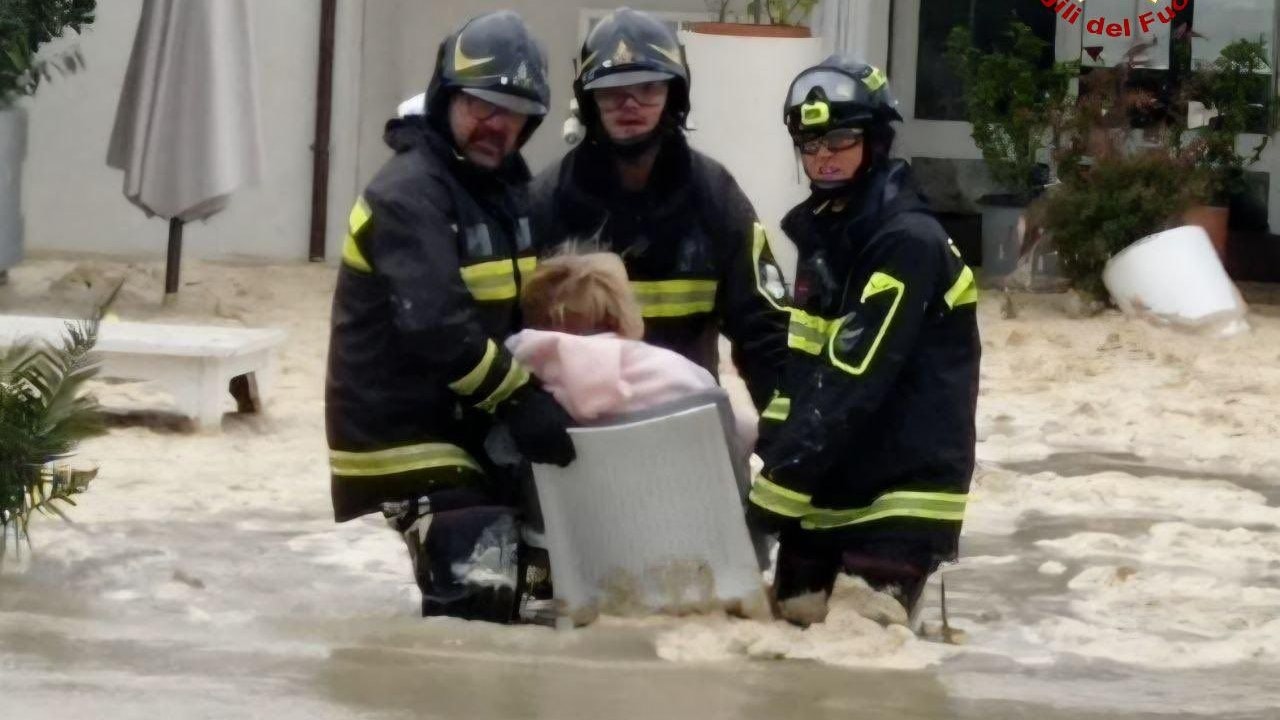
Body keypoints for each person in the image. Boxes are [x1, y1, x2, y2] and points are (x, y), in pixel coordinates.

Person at [324, 11, 576, 623]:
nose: (498, 124)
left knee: (545, 592)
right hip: (404, 437)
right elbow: (436, 326)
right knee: (481, 601)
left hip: (472, 426)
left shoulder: (505, 191)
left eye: (515, 112)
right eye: (481, 105)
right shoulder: (409, 193)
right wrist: (521, 399)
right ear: (446, 98)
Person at [747, 56, 981, 626]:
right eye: (809, 144)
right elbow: (804, 367)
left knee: (861, 642)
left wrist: (776, 488)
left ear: (875, 141)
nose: (823, 156)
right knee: (787, 630)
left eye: (840, 140)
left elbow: (854, 375)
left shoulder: (908, 241)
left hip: (899, 498)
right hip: (829, 487)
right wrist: (774, 446)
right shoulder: (824, 235)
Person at [529, 7, 791, 429]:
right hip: (576, 433)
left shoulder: (715, 196)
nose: (630, 104)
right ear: (589, 102)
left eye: (648, 88)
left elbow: (765, 330)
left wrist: (783, 433)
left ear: (675, 95)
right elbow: (514, 328)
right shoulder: (547, 201)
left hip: (686, 425)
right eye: (612, 91)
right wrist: (525, 408)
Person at [506, 251, 757, 454]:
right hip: (689, 498)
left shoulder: (524, 382)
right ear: (623, 314)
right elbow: (738, 434)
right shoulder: (678, 375)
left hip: (584, 503)